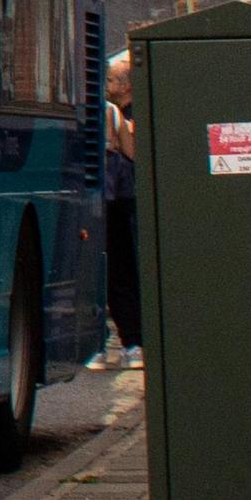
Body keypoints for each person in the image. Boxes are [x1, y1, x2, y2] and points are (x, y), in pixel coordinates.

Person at [97, 51, 143, 370]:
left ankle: (108, 344)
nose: (108, 83)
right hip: (119, 200)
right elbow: (131, 153)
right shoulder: (114, 113)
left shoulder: (102, 111)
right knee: (121, 270)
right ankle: (132, 343)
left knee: (110, 271)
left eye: (112, 79)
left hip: (103, 201)